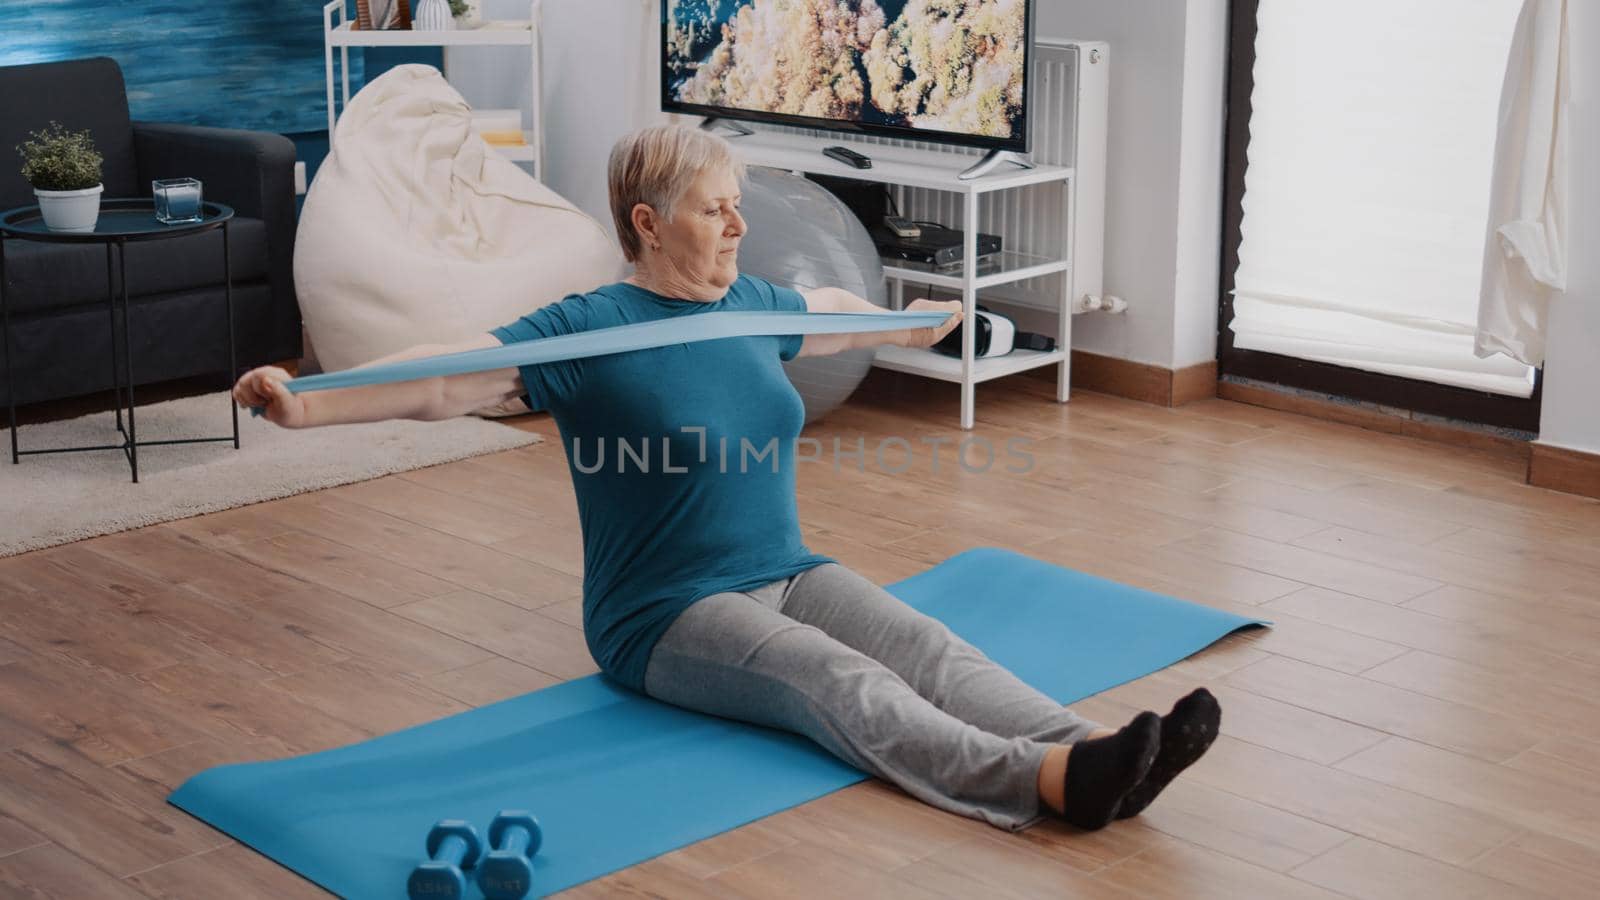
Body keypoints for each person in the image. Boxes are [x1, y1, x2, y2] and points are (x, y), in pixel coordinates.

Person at [234, 125, 1220, 832]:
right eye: (717, 211)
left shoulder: (747, 304)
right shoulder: (587, 330)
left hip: (785, 567)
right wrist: (306, 401)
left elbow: (826, 304)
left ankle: (1100, 746)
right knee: (835, 680)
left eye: (739, 207)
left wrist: (902, 325)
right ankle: (1039, 781)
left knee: (925, 644)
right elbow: (443, 379)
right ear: (649, 223)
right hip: (661, 613)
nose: (740, 226)